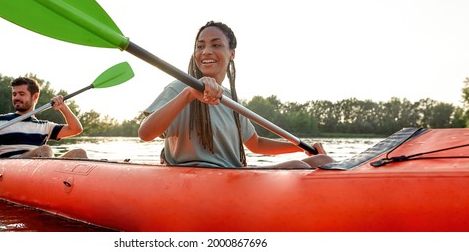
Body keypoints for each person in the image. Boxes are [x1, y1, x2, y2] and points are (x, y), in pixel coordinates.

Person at [138, 21, 334, 168]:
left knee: (323, 160)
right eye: (200, 46)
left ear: (232, 53)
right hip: (197, 179)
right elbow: (145, 134)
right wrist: (189, 94)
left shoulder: (230, 99)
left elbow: (255, 144)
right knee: (298, 167)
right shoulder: (179, 88)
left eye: (216, 45)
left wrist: (301, 147)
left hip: (233, 176)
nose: (206, 51)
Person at [0, 77, 88, 159]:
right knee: (45, 150)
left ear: (35, 97)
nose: (16, 97)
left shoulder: (44, 126)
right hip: (10, 170)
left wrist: (63, 107)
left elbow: (76, 129)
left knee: (79, 153)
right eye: (14, 94)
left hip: (41, 165)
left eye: (21, 94)